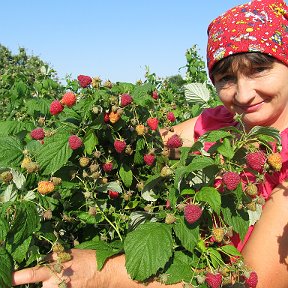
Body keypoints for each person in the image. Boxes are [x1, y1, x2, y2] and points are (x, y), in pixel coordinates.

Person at [12, 0, 288, 287]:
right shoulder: (219, 122)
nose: (243, 95)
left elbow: (252, 282)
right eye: (227, 78)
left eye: (259, 70)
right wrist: (107, 121)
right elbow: (151, 144)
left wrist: (104, 274)